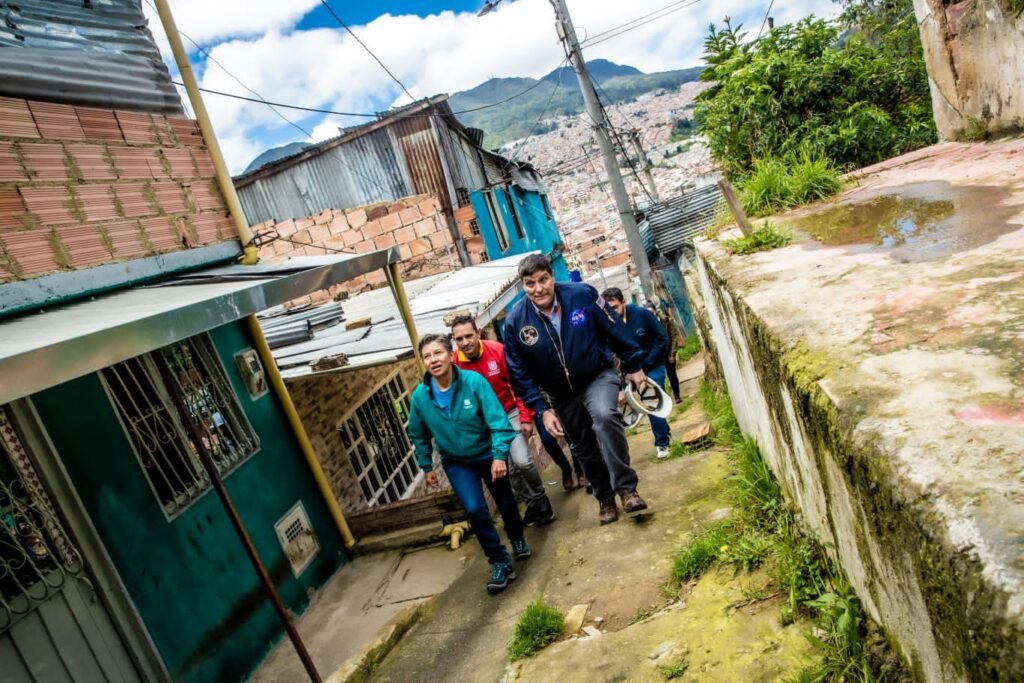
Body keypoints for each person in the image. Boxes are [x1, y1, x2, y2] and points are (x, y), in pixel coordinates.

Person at [504, 253, 649, 526]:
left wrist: (633, 365)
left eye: (543, 280)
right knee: (582, 446)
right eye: (530, 284)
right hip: (560, 394)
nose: (538, 289)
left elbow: (614, 329)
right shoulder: (514, 322)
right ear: (523, 286)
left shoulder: (582, 295)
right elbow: (519, 373)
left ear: (552, 276)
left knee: (605, 418)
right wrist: (541, 409)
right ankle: (604, 498)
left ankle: (627, 489)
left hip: (597, 375)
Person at [407, 334, 528, 594]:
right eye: (427, 356)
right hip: (456, 461)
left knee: (504, 500)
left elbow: (498, 421)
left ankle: (517, 537)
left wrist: (498, 455)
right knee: (474, 509)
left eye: (438, 353)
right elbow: (418, 433)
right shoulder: (420, 397)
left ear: (451, 354)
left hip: (487, 453)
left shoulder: (474, 382)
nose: (433, 360)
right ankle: (498, 561)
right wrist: (426, 465)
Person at [450, 315, 556, 525]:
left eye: (469, 336)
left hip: (509, 413)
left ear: (478, 333)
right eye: (459, 339)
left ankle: (540, 497)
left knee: (522, 461)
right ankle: (532, 503)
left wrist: (526, 418)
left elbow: (518, 384)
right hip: (483, 425)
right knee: (505, 470)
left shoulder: (497, 351)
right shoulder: (454, 364)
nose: (465, 342)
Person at [605, 289, 673, 458]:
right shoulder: (608, 324)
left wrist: (646, 363)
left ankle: (662, 443)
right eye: (609, 309)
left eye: (615, 307)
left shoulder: (643, 315)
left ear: (623, 302)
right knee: (639, 406)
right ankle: (664, 430)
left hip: (652, 365)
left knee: (650, 400)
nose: (612, 312)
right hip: (628, 372)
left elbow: (661, 338)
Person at [646, 301, 682, 402]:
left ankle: (677, 395)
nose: (651, 315)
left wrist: (672, 353)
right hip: (656, 355)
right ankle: (665, 399)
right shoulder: (645, 324)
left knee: (672, 375)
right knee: (659, 378)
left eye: (652, 312)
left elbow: (673, 336)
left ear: (655, 312)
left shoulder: (665, 320)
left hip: (667, 352)